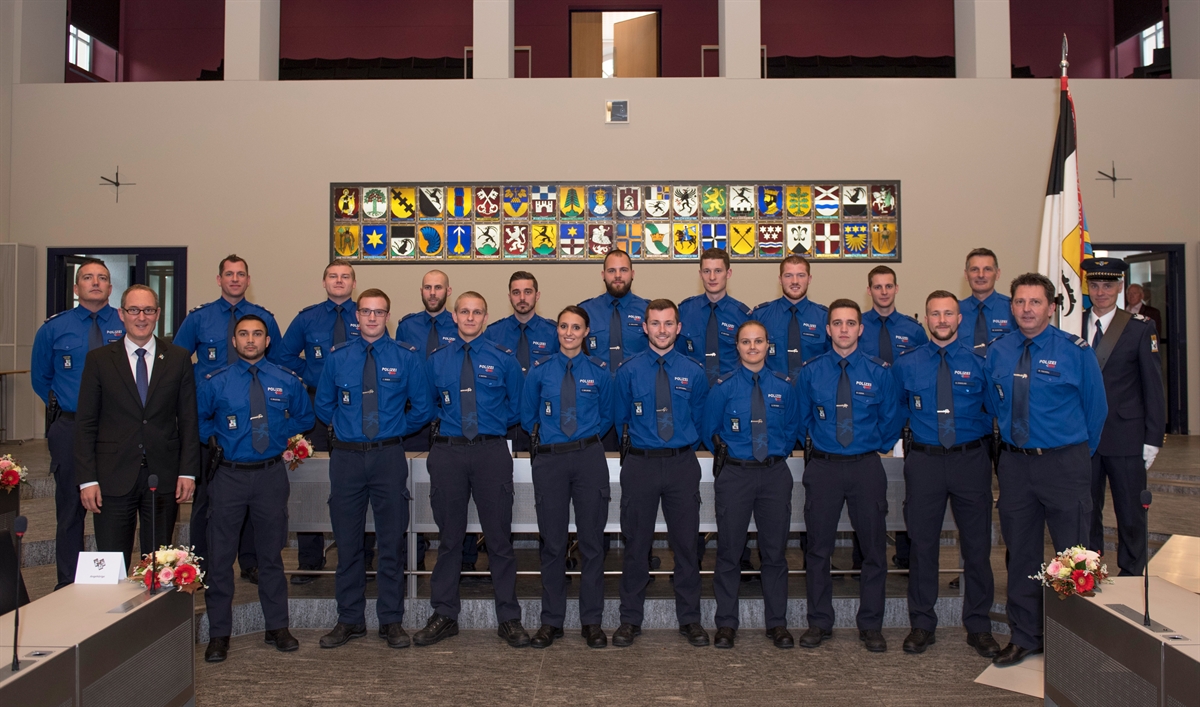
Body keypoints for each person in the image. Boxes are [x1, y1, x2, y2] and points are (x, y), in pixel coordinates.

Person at [985, 273, 1107, 667]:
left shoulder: (1075, 351)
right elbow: (996, 404)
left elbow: (1096, 410)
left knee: (1073, 554)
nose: (1027, 309)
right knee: (1021, 553)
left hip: (1064, 463)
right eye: (1020, 302)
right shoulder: (998, 352)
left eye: (1035, 302)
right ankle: (1025, 636)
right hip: (1016, 464)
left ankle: (1073, 638)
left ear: (1051, 307)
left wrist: (1075, 455)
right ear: (1011, 306)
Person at [314, 289, 433, 650]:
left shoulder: (405, 357)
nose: (371, 318)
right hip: (347, 458)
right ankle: (349, 619)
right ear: (357, 315)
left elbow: (423, 407)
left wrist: (394, 429)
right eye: (365, 311)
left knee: (391, 543)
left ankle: (391, 621)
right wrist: (347, 428)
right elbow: (323, 405)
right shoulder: (338, 357)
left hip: (387, 457)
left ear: (387, 316)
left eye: (378, 312)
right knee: (348, 543)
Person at [413, 292, 530, 648]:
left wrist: (489, 427)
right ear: (454, 315)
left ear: (485, 317)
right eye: (464, 311)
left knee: (499, 539)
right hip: (448, 452)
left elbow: (517, 408)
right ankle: (444, 614)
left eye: (477, 312)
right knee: (449, 539)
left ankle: (508, 617)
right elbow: (426, 404)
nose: (470, 317)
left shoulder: (503, 359)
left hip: (491, 452)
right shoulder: (436, 361)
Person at [199, 314, 312, 663]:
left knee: (271, 557)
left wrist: (279, 435)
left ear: (267, 341)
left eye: (257, 334)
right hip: (228, 476)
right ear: (234, 341)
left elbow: (305, 417)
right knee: (220, 559)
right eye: (244, 334)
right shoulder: (215, 382)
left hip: (269, 476)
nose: (250, 340)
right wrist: (220, 438)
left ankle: (277, 627)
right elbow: (199, 420)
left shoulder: (286, 380)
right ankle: (219, 634)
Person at [892, 291, 999, 657]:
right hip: (925, 462)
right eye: (935, 314)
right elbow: (897, 408)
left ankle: (979, 626)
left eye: (948, 313)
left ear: (959, 319)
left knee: (977, 547)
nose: (942, 320)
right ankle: (922, 624)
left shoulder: (979, 362)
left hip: (970, 459)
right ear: (926, 319)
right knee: (922, 546)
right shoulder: (907, 363)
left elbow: (992, 409)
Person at [795, 299, 902, 653]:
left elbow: (890, 420)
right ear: (828, 329)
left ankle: (871, 625)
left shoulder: (879, 372)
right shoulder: (811, 372)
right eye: (837, 323)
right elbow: (801, 419)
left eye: (850, 323)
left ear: (860, 328)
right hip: (823, 467)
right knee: (818, 549)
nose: (844, 329)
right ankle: (819, 622)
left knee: (873, 550)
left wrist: (870, 446)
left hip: (865, 467)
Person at [74, 285, 199, 571]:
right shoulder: (99, 360)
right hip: (112, 477)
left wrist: (188, 472)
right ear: (121, 314)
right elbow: (85, 424)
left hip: (163, 476)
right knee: (111, 564)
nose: (141, 317)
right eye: (134, 310)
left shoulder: (178, 358)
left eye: (148, 310)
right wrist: (87, 480)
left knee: (160, 565)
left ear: (158, 314)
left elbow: (189, 420)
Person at [175, 254, 282, 582]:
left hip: (254, 422)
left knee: (253, 498)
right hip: (211, 424)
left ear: (248, 280)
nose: (235, 279)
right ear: (219, 279)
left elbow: (276, 365)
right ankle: (201, 564)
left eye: (240, 274)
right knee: (206, 499)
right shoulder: (199, 318)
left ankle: (250, 561)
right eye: (229, 274)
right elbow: (177, 363)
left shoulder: (264, 318)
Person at [612, 299, 710, 649]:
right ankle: (630, 619)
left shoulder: (694, 372)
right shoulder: (628, 371)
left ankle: (690, 619)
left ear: (679, 328)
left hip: (681, 463)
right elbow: (620, 418)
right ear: (645, 327)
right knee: (636, 545)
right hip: (640, 464)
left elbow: (700, 421)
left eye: (669, 323)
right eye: (655, 323)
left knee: (686, 546)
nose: (662, 330)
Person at [520, 306, 612, 649]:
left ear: (586, 332)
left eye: (576, 327)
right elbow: (528, 416)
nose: (569, 332)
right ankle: (551, 621)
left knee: (592, 544)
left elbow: (608, 416)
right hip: (551, 460)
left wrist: (582, 441)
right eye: (563, 326)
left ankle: (592, 622)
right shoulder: (539, 371)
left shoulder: (600, 371)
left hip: (588, 457)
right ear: (556, 330)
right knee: (553, 544)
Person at [703, 321, 798, 650]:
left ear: (768, 345)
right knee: (729, 552)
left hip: (774, 475)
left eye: (758, 341)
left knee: (775, 553)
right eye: (746, 342)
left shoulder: (784, 387)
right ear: (737, 346)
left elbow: (792, 429)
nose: (753, 347)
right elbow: (710, 430)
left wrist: (774, 455)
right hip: (736, 475)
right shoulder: (723, 387)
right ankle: (726, 623)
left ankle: (777, 624)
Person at [31, 258, 124, 589]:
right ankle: (67, 584)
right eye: (87, 277)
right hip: (70, 428)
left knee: (114, 509)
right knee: (70, 510)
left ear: (110, 287)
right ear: (76, 287)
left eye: (102, 278)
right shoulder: (54, 328)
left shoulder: (126, 323)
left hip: (116, 429)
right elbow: (41, 379)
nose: (95, 282)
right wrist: (70, 407)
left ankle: (112, 582)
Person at [278, 259, 361, 584]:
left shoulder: (366, 314)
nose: (339, 281)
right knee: (310, 483)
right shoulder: (307, 318)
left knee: (360, 479)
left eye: (345, 276)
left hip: (356, 406)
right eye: (333, 276)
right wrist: (312, 375)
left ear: (353, 283)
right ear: (324, 282)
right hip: (314, 406)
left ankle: (362, 558)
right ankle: (310, 560)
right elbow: (284, 356)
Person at [1081, 258, 1166, 577]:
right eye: (1095, 285)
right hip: (1084, 436)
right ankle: (1087, 572)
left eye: (1108, 285)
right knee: (1085, 511)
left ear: (1120, 287)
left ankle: (1131, 573)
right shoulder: (1070, 326)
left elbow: (1153, 387)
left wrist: (1153, 438)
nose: (1101, 292)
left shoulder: (1139, 328)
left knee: (1130, 513)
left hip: (1126, 436)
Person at [677, 248, 753, 573]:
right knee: (689, 481)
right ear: (700, 273)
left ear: (729, 273)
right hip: (692, 406)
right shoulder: (684, 311)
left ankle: (741, 557)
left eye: (718, 270)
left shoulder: (743, 313)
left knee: (737, 479)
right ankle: (690, 556)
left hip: (731, 407)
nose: (712, 276)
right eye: (706, 271)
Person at [394, 270, 467, 570]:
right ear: (421, 290)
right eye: (428, 287)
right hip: (415, 419)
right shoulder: (406, 326)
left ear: (448, 291)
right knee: (412, 490)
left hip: (450, 420)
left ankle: (466, 561)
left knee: (458, 491)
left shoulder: (461, 321)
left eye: (438, 287)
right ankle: (415, 556)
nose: (433, 292)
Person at [856, 265, 927, 571]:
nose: (883, 292)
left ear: (896, 288)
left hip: (904, 420)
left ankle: (905, 555)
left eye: (888, 286)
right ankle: (861, 559)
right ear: (869, 290)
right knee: (864, 492)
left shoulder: (914, 330)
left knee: (904, 489)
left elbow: (924, 369)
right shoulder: (857, 326)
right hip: (866, 418)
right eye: (877, 286)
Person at [485, 271, 559, 452]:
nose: (522, 298)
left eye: (528, 292)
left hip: (543, 421)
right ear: (509, 296)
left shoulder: (554, 332)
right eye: (516, 292)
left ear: (537, 295)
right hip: (504, 421)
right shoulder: (493, 333)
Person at [751, 255, 829, 381]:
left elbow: (832, 360)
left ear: (809, 279)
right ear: (780, 279)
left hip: (813, 389)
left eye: (801, 275)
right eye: (788, 276)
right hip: (771, 389)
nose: (795, 281)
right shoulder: (760, 316)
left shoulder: (824, 317)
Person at [959, 248, 1013, 357]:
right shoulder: (955, 311)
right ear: (966, 274)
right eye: (974, 269)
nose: (981, 275)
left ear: (997, 274)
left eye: (987, 269)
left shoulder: (1013, 308)